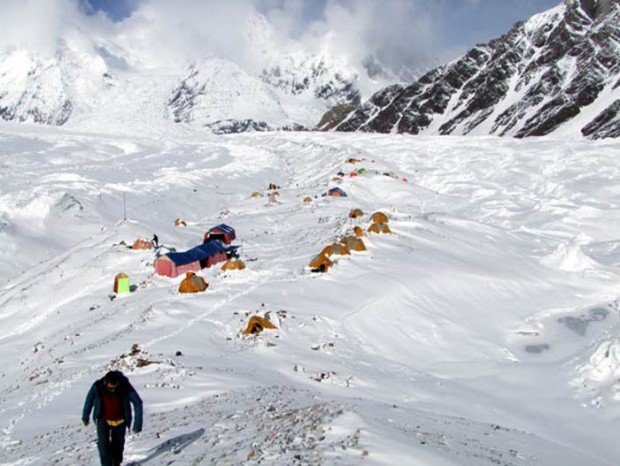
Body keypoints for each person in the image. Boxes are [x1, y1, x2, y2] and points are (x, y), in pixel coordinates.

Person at [82, 370, 143, 466]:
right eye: (110, 388)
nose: (113, 390)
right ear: (105, 383)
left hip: (120, 421)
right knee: (103, 447)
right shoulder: (98, 386)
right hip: (103, 420)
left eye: (114, 387)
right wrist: (85, 417)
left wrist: (137, 425)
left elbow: (137, 402)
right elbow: (89, 400)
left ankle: (116, 463)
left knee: (118, 448)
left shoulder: (125, 386)